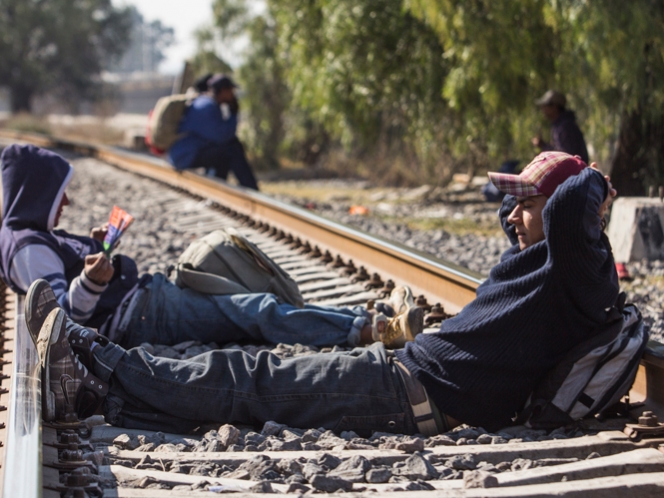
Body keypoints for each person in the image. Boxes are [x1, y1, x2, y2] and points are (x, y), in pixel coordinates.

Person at [29, 150, 620, 435]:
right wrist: (529, 195)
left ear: (577, 216)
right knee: (251, 385)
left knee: (249, 378)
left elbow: (569, 204)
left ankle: (94, 355)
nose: (512, 216)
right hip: (402, 374)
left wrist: (590, 176)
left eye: (527, 203)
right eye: (511, 204)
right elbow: (540, 214)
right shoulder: (537, 262)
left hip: (411, 394)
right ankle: (93, 396)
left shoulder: (577, 267)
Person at [0, 144, 422, 358]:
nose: (67, 202)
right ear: (36, 192)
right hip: (145, 314)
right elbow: (60, 321)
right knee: (256, 309)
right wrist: (93, 282)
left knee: (255, 301)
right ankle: (377, 332)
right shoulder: (28, 248)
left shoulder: (32, 235)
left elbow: (67, 285)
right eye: (61, 194)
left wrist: (97, 246)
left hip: (149, 298)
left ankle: (369, 318)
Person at [168, 74, 259, 190]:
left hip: (186, 152)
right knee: (232, 150)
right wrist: (233, 112)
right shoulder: (208, 107)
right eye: (231, 91)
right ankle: (251, 188)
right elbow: (224, 136)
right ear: (223, 91)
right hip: (185, 156)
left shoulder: (205, 101)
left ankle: (216, 187)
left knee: (225, 152)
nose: (233, 95)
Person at [532, 90, 589, 164]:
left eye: (545, 106)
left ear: (554, 107)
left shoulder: (565, 127)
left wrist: (543, 145)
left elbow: (564, 156)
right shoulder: (560, 125)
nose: (543, 110)